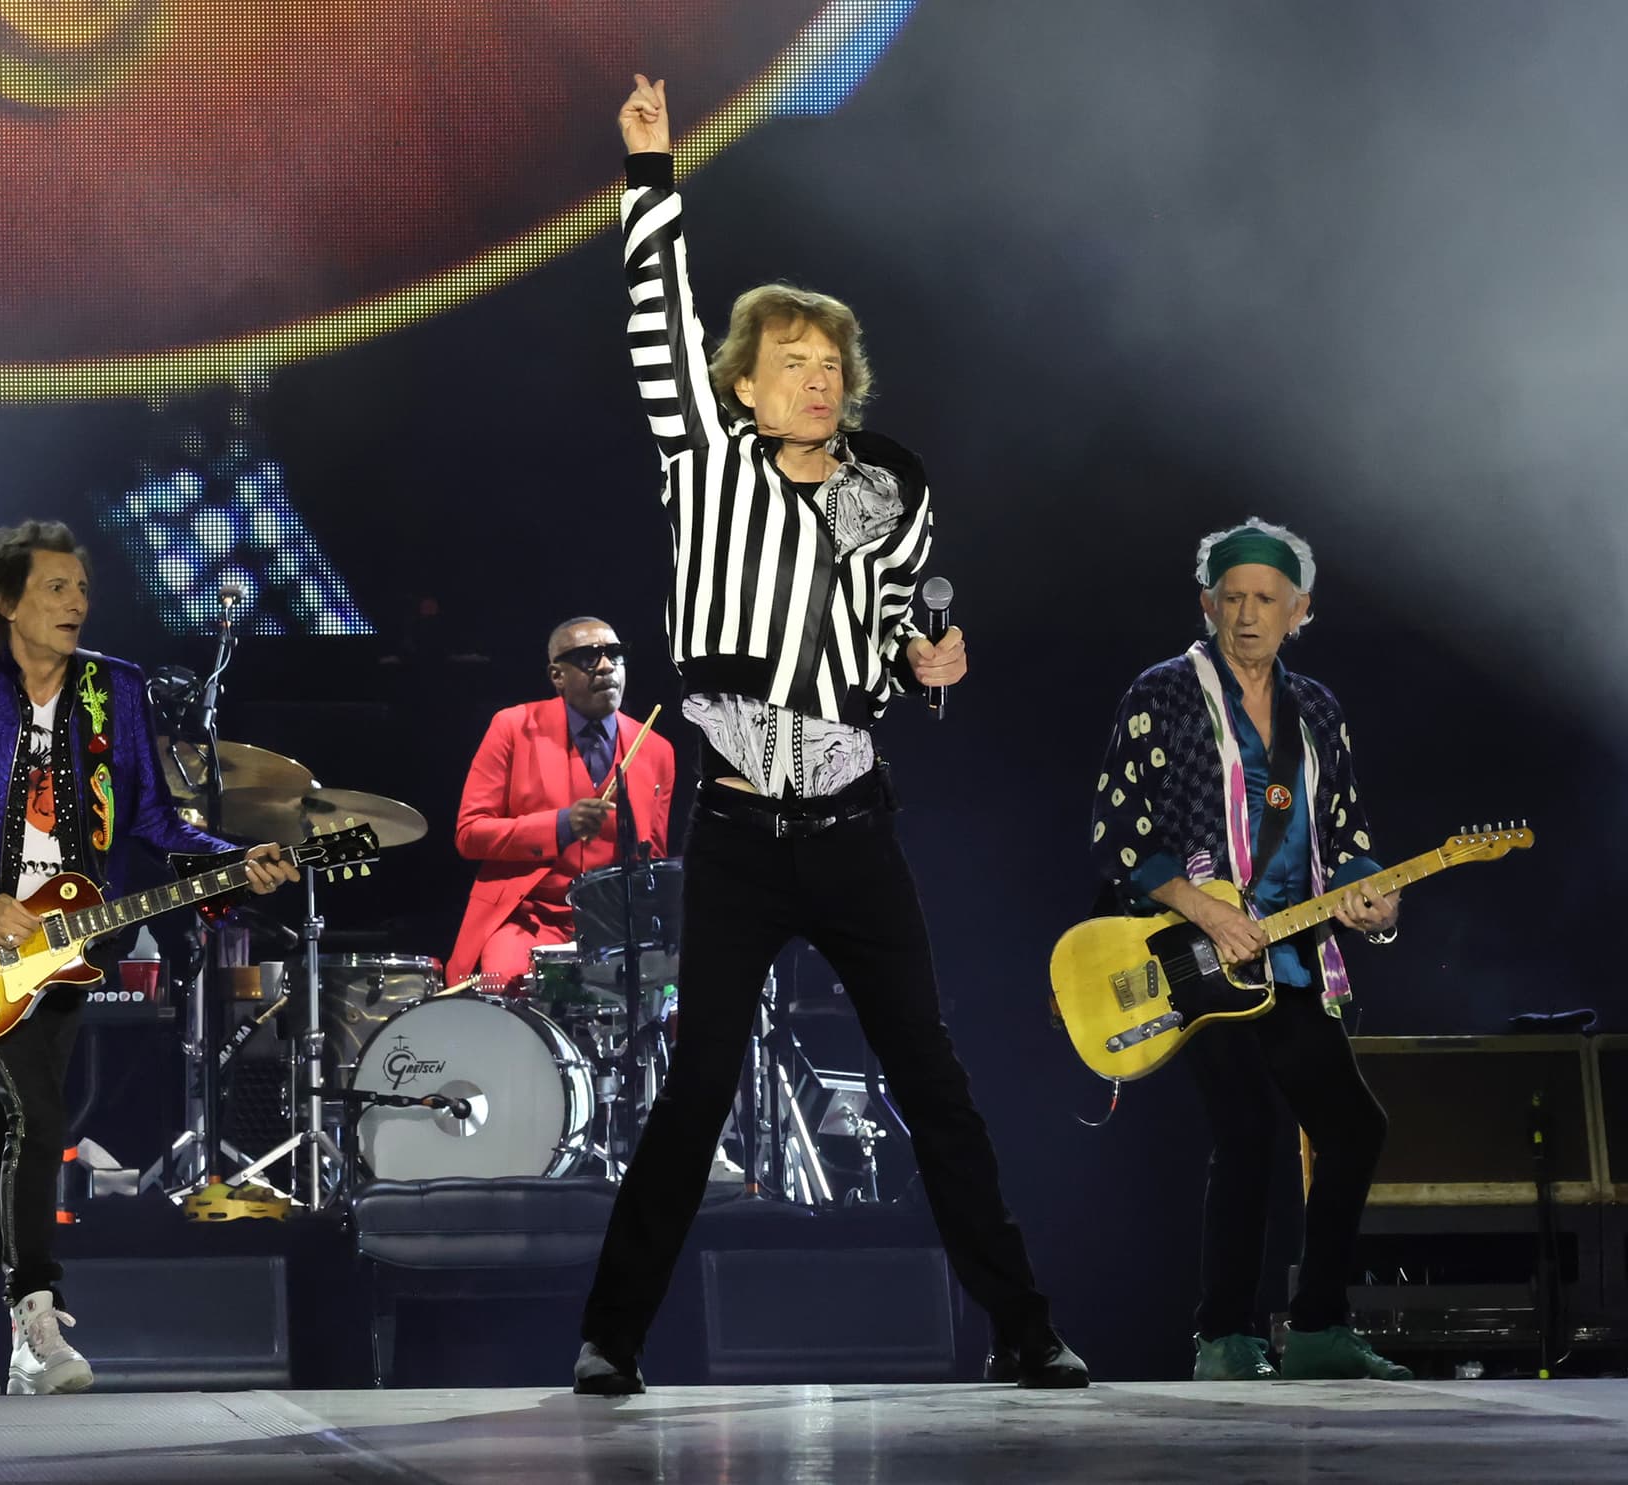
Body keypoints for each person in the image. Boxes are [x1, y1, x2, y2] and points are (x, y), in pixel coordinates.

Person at [571, 76, 1087, 1395]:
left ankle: (1026, 1326)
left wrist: (933, 656)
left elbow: (914, 620)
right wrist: (650, 171)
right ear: (743, 386)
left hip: (856, 824)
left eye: (830, 363)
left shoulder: (892, 485)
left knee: (935, 1081)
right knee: (694, 1094)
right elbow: (655, 317)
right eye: (790, 362)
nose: (817, 380)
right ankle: (611, 1336)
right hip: (742, 828)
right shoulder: (705, 454)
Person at [0, 520, 297, 1397]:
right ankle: (34, 1317)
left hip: (72, 943)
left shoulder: (114, 690)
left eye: (82, 588)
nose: (76, 602)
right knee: (39, 1116)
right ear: (7, 600)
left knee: (14, 1128)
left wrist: (231, 859)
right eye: (56, 587)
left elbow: (151, 822)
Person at [1088, 517, 1409, 1382]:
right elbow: (1118, 834)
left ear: (1300, 609)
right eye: (1231, 597)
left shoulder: (1320, 711)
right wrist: (1205, 909)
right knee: (1249, 1129)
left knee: (1352, 1127)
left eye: (1266, 599)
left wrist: (1375, 900)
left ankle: (1316, 1326)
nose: (1247, 614)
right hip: (1199, 957)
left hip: (1292, 953)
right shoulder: (1161, 693)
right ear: (1206, 603)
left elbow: (1346, 838)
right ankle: (1224, 1335)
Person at [449, 617, 675, 982]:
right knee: (506, 984)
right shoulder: (512, 727)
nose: (605, 666)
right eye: (588, 657)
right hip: (528, 916)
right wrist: (559, 825)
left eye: (615, 655)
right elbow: (470, 833)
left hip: (615, 926)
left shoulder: (656, 750)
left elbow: (655, 858)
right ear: (557, 676)